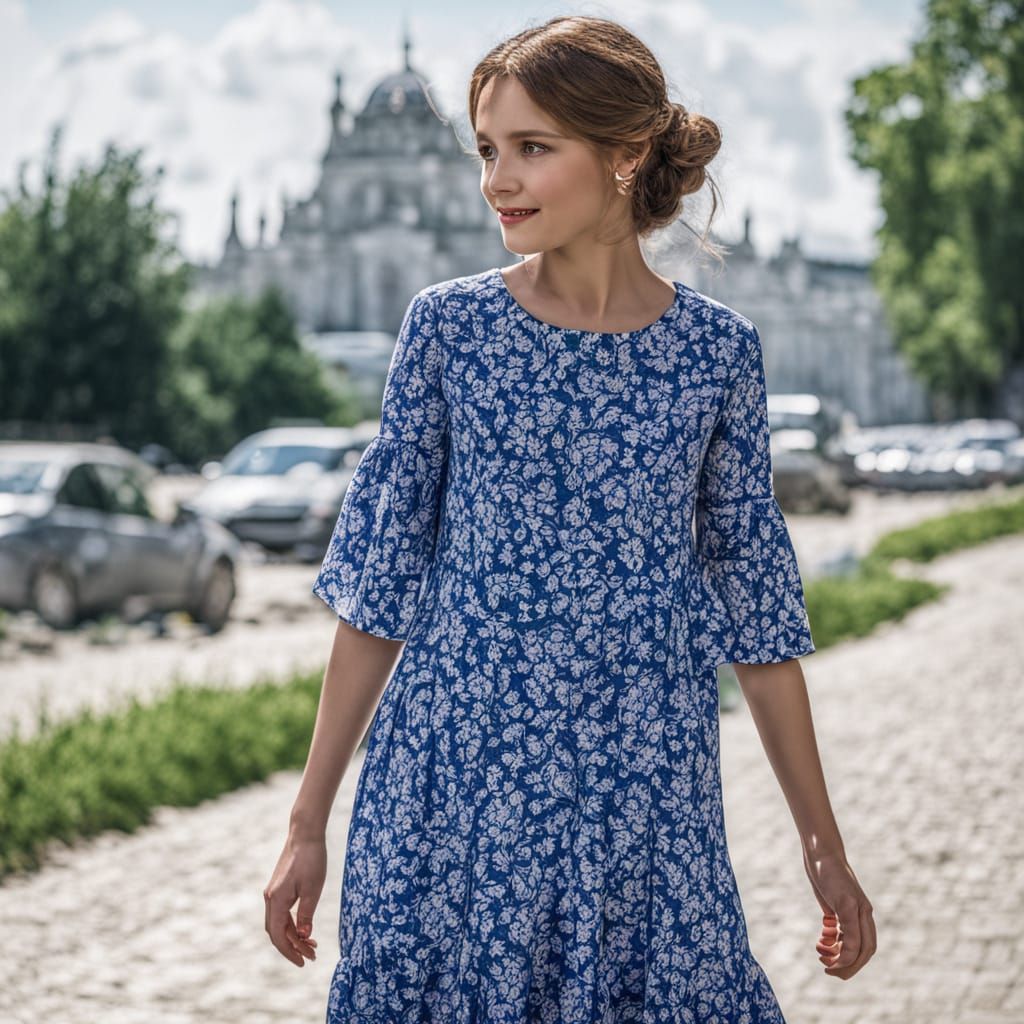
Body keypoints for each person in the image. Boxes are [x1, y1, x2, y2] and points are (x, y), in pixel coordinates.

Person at [263, 14, 876, 1022]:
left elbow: (760, 622)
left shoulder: (716, 355)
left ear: (626, 155)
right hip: (451, 791)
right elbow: (379, 592)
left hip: (644, 798)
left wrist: (823, 846)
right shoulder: (445, 329)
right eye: (487, 151)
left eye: (531, 149)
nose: (497, 180)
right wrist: (306, 821)